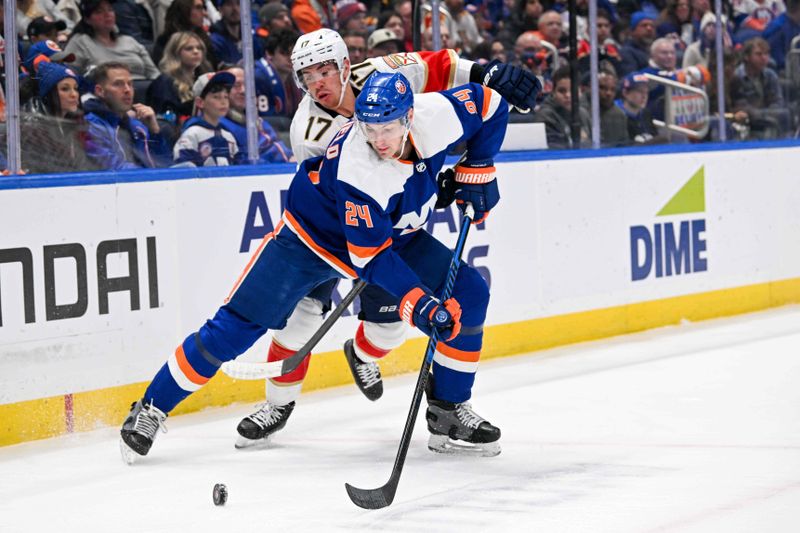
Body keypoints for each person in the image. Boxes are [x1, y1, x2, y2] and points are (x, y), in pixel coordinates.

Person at [119, 70, 508, 462]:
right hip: (310, 241)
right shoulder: (360, 169)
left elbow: (492, 105)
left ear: (410, 116)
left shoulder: (438, 113)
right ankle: (151, 407)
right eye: (369, 129)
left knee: (470, 291)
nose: (379, 141)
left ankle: (448, 410)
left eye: (388, 128)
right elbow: (371, 259)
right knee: (233, 330)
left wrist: (479, 165)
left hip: (390, 235)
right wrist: (420, 305)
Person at [230, 28, 540, 446]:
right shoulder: (310, 131)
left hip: (391, 233)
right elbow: (331, 200)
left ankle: (387, 371)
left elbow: (438, 67)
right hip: (337, 232)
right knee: (303, 318)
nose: (317, 82)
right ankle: (277, 405)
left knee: (388, 331)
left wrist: (486, 74)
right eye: (306, 75)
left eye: (324, 70)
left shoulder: (379, 74)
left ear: (344, 64)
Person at [83, 62, 171, 169]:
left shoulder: (138, 126)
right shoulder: (91, 125)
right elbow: (113, 169)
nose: (127, 90)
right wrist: (153, 176)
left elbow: (165, 164)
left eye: (130, 84)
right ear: (100, 91)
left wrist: (155, 132)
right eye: (118, 84)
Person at [20, 61, 98, 173]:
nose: (74, 94)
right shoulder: (32, 129)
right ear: (48, 94)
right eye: (65, 89)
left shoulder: (78, 125)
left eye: (76, 88)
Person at [64, 0, 160, 81]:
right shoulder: (80, 42)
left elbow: (155, 74)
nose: (107, 15)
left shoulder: (129, 41)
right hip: (104, 97)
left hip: (144, 93)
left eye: (110, 10)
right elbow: (69, 76)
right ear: (87, 19)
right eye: (99, 11)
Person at [220, 66, 294, 163]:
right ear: (224, 91)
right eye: (236, 85)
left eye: (247, 85)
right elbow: (243, 163)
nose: (243, 90)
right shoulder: (221, 126)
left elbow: (279, 147)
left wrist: (292, 157)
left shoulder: (256, 121)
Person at [147, 31, 212, 127]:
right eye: (189, 48)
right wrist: (178, 120)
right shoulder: (165, 82)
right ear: (175, 53)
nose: (196, 51)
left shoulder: (204, 78)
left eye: (199, 48)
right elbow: (165, 116)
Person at [173, 71, 238, 166]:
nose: (223, 102)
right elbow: (183, 168)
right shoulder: (192, 134)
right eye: (216, 97)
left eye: (226, 97)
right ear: (200, 102)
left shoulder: (229, 136)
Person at [731, 37, 790, 138]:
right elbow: (742, 107)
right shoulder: (737, 77)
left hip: (770, 121)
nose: (764, 58)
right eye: (759, 54)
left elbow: (778, 102)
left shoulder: (770, 75)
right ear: (746, 56)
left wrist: (766, 114)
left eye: (766, 54)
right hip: (746, 124)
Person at [533, 66, 590, 148]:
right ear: (553, 92)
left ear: (581, 91)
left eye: (572, 90)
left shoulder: (584, 114)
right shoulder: (545, 117)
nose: (567, 95)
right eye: (562, 91)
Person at [615, 72, 662, 144]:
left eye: (646, 92)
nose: (644, 96)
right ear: (625, 93)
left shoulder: (646, 114)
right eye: (640, 91)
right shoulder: (615, 116)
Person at [620, 11, 658, 75]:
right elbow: (631, 77)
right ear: (632, 31)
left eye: (652, 26)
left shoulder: (656, 51)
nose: (649, 28)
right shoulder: (627, 52)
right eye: (644, 25)